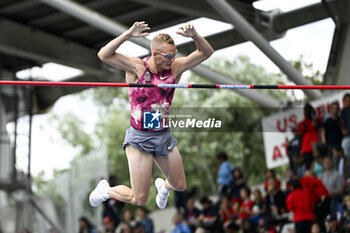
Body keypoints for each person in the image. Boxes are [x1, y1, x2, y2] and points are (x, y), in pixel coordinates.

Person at [89, 21, 214, 209]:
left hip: (162, 134)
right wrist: (128, 34)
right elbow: (103, 55)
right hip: (140, 138)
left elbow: (206, 53)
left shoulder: (174, 68)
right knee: (138, 199)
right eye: (168, 56)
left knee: (179, 185)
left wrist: (195, 35)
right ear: (155, 54)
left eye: (174, 55)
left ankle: (163, 187)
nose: (172, 59)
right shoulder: (137, 67)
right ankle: (105, 191)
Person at [341, 93, 350, 159]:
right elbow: (342, 122)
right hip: (347, 135)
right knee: (344, 145)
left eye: (349, 100)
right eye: (346, 100)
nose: (348, 102)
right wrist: (342, 129)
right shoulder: (343, 111)